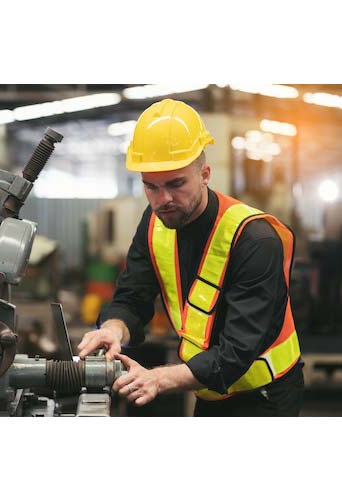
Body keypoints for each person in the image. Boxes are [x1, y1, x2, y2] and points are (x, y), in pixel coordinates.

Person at [78, 99, 304, 417]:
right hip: (207, 388)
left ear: (205, 174)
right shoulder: (155, 221)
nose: (163, 199)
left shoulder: (255, 240)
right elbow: (132, 298)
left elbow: (236, 351)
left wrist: (158, 378)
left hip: (266, 396)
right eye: (151, 186)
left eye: (176, 184)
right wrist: (113, 330)